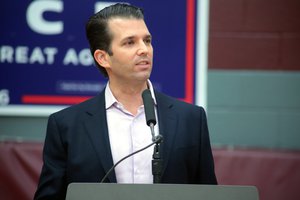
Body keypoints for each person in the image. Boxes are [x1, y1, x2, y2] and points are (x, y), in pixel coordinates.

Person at [34, 3, 217, 200]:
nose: (144, 50)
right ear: (103, 58)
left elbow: (208, 193)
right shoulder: (66, 125)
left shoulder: (190, 118)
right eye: (130, 42)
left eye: (147, 40)